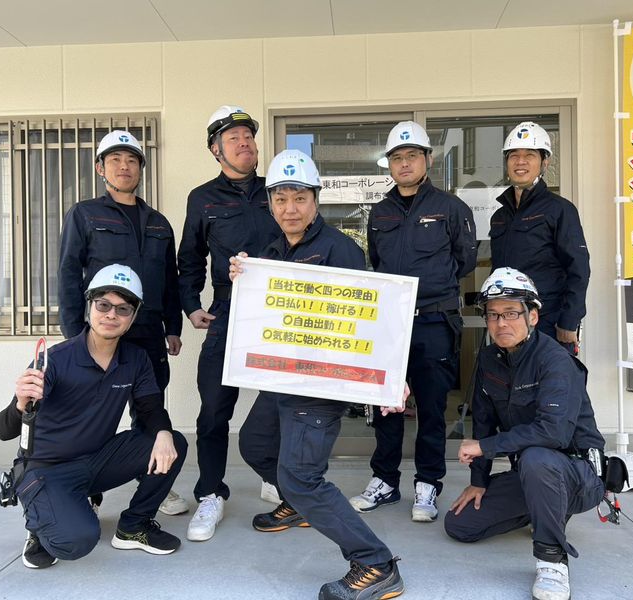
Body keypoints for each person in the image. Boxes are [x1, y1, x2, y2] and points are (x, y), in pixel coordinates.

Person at [232, 149, 405, 600]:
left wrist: (388, 374)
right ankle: (297, 505)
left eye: (299, 198)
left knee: (300, 476)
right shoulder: (271, 251)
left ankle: (376, 562)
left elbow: (367, 318)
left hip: (320, 383)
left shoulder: (339, 250)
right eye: (281, 199)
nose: (289, 208)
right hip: (282, 377)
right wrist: (245, 280)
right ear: (270, 203)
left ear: (315, 200)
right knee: (254, 444)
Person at [0, 264, 188, 569]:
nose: (111, 315)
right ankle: (39, 524)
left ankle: (134, 526)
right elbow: (4, 430)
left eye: (123, 309)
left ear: (133, 316)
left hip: (97, 460)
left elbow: (151, 409)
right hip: (49, 468)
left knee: (173, 441)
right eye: (103, 305)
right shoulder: (55, 360)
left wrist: (163, 434)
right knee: (76, 541)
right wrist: (20, 402)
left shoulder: (135, 359)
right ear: (90, 306)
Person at [444, 267, 606, 600]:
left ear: (533, 316)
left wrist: (484, 447)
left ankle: (552, 561)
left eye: (511, 313)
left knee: (536, 456)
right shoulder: (489, 359)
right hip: (534, 475)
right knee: (460, 525)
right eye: (493, 315)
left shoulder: (555, 360)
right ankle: (545, 508)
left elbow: (554, 433)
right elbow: (484, 421)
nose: (501, 323)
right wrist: (479, 481)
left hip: (579, 475)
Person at [350, 121, 477, 522]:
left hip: (434, 321)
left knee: (432, 408)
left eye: (412, 156)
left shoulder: (450, 208)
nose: (404, 163)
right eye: (397, 158)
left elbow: (465, 260)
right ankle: (385, 481)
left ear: (428, 160)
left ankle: (428, 484)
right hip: (391, 323)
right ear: (389, 164)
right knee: (386, 406)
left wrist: (432, 287)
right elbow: (377, 260)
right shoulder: (380, 212)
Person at [57, 129, 187, 516]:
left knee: (149, 408)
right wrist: (73, 336)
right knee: (90, 412)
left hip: (147, 332)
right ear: (101, 168)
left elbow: (169, 279)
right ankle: (85, 487)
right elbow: (68, 274)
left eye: (132, 160)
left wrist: (173, 326)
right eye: (115, 159)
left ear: (141, 169)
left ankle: (153, 478)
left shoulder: (159, 222)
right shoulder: (85, 214)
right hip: (103, 333)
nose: (124, 166)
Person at [177, 105, 281, 542]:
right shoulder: (202, 198)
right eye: (234, 138)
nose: (245, 144)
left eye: (249, 137)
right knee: (214, 410)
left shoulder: (277, 190)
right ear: (215, 149)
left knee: (282, 402)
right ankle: (210, 493)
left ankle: (276, 478)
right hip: (227, 310)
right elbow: (189, 258)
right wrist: (190, 305)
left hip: (278, 312)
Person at [489, 121, 590, 354]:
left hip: (549, 321)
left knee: (551, 377)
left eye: (530, 155)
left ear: (545, 162)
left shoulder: (560, 210)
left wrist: (569, 321)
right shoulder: (500, 216)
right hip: (508, 322)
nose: (520, 161)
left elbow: (579, 269)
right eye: (514, 155)